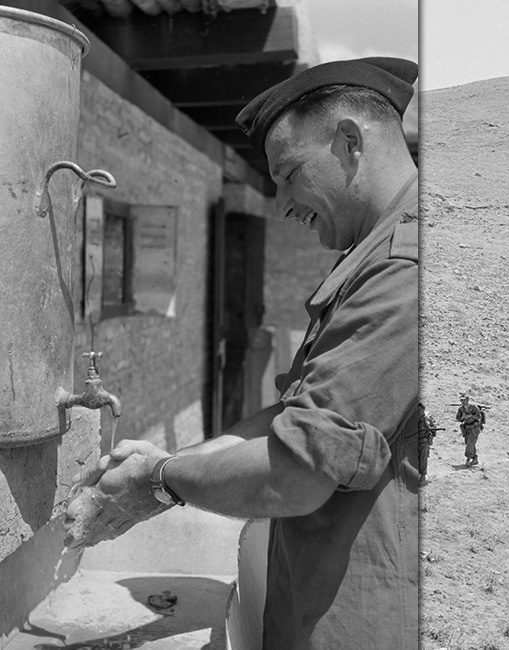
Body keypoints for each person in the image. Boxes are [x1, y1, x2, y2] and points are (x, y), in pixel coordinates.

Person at [65, 58, 422, 648]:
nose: (281, 204)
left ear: (350, 142)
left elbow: (296, 472)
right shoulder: (373, 254)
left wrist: (160, 480)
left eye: (287, 172)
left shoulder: (404, 268)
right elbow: (291, 417)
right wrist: (165, 468)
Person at [456, 393, 486, 467]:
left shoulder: (473, 407)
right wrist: (463, 417)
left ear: (467, 400)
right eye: (461, 400)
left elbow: (479, 416)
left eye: (464, 400)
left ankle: (468, 459)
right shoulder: (461, 409)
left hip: (474, 428)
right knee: (469, 443)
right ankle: (475, 458)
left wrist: (471, 416)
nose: (463, 402)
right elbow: (458, 419)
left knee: (470, 443)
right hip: (467, 429)